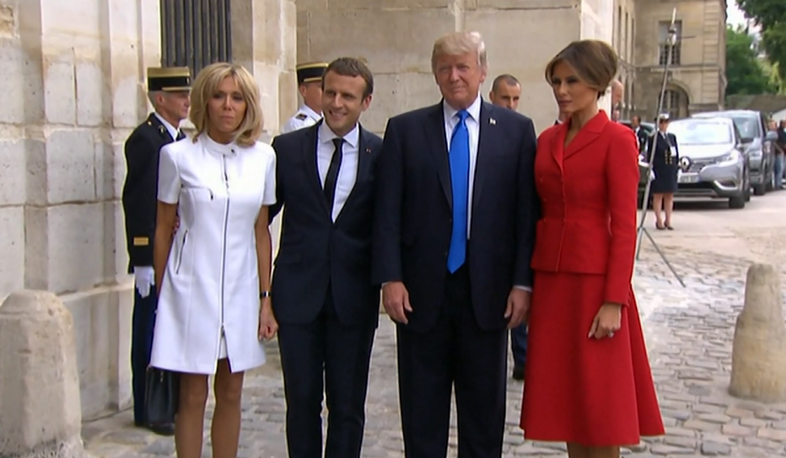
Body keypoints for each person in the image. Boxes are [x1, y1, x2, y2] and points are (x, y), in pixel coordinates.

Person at [373, 31, 539, 458]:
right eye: (445, 68)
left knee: (483, 419)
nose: (454, 76)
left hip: (488, 296)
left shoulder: (517, 133)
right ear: (434, 73)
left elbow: (525, 216)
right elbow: (387, 212)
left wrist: (523, 283)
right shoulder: (406, 130)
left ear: (482, 71)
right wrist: (390, 277)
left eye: (463, 66)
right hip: (420, 296)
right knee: (422, 416)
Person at [519, 39, 664, 458]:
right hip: (552, 284)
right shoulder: (546, 140)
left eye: (571, 81)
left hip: (595, 287)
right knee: (567, 403)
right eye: (556, 81)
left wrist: (614, 300)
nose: (562, 90)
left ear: (598, 84)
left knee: (600, 410)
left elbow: (624, 227)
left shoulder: (617, 140)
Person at [150, 62, 279, 458]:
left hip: (240, 287)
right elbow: (163, 227)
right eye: (219, 96)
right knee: (192, 393)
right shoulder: (176, 156)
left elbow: (261, 232)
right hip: (191, 285)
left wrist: (265, 298)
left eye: (237, 97)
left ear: (248, 106)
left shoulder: (263, 159)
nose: (228, 106)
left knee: (232, 389)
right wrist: (162, 292)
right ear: (205, 100)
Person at [268, 57, 382, 458]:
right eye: (330, 92)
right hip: (296, 297)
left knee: (347, 408)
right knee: (301, 405)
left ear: (365, 101)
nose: (336, 103)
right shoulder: (287, 148)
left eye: (347, 96)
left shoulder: (380, 153)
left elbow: (392, 225)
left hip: (353, 300)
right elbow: (258, 218)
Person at [120, 65, 191, 435]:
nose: (187, 101)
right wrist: (143, 259)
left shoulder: (177, 138)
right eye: (180, 95)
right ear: (159, 99)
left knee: (168, 328)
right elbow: (138, 201)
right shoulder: (147, 140)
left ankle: (169, 402)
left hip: (176, 250)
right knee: (148, 330)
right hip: (154, 255)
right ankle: (148, 407)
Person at [489, 73, 527, 381]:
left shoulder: (521, 132)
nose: (511, 105)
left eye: (516, 99)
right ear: (492, 96)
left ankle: (523, 358)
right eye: (506, 99)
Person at [648, 113, 679, 230]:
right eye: (661, 122)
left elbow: (676, 153)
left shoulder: (672, 137)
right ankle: (659, 220)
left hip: (670, 169)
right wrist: (650, 169)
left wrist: (676, 168)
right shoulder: (654, 138)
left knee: (669, 195)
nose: (664, 125)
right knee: (658, 195)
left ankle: (668, 220)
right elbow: (650, 155)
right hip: (659, 169)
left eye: (666, 122)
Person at [281, 62, 329, 133]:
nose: (326, 92)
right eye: (321, 87)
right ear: (304, 91)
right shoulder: (298, 124)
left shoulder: (327, 119)